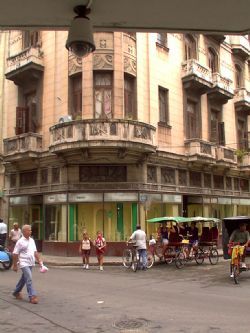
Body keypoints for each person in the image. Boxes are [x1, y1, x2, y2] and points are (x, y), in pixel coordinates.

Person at [12, 224, 43, 304]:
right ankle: (32, 296)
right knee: (29, 277)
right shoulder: (20, 242)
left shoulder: (32, 240)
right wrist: (15, 265)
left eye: (31, 230)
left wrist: (39, 260)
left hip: (31, 263)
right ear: (24, 231)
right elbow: (15, 254)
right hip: (23, 263)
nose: (31, 231)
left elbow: (35, 252)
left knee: (24, 278)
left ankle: (16, 292)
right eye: (29, 230)